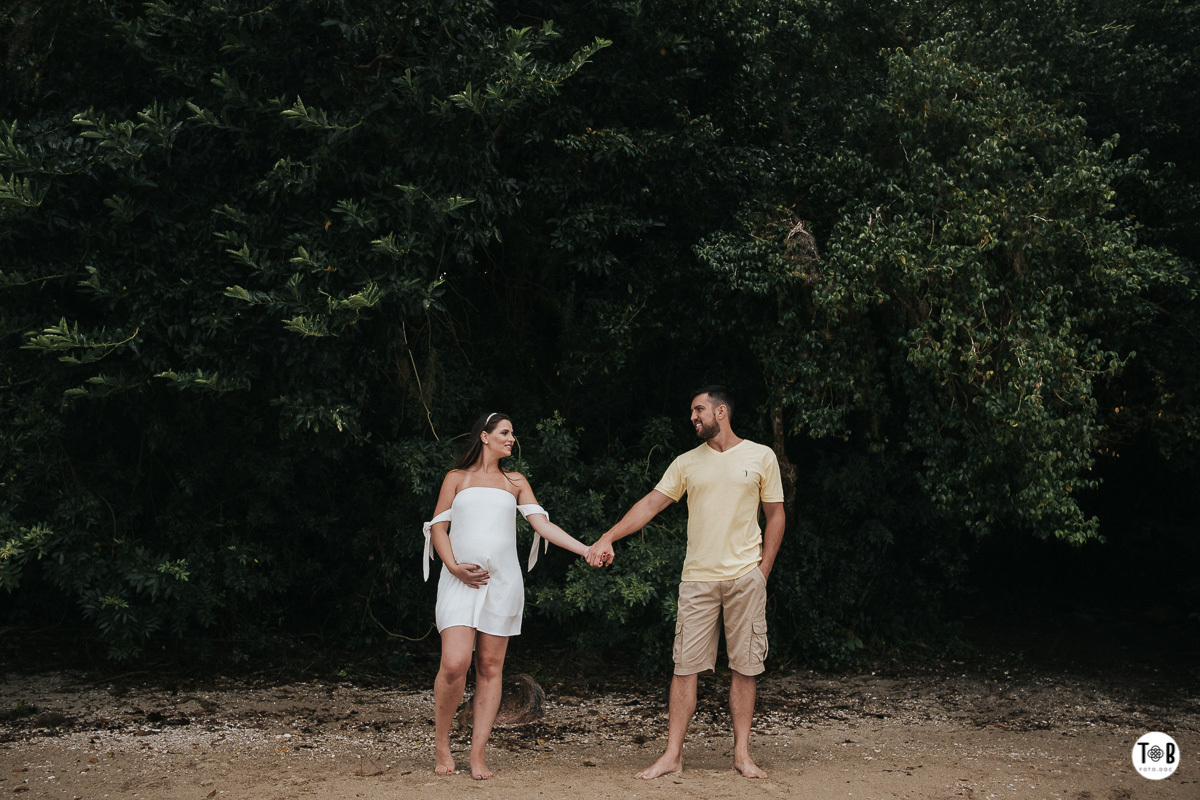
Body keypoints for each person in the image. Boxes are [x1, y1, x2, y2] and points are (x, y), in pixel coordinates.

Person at [585, 386, 785, 779]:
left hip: (746, 576)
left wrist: (762, 572)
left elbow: (775, 516)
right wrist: (608, 536)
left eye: (699, 410)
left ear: (721, 411)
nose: (693, 418)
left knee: (744, 667)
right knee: (684, 668)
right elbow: (650, 504)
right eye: (692, 412)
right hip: (697, 580)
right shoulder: (686, 463)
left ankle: (742, 754)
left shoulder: (761, 456)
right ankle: (672, 755)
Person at [423, 411, 592, 780]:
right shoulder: (457, 478)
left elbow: (542, 524)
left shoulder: (515, 481)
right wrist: (451, 565)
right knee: (454, 664)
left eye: (512, 433)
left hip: (502, 583)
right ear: (484, 436)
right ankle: (441, 743)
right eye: (505, 432)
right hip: (459, 580)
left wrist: (586, 549)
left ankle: (478, 753)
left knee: (489, 667)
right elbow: (438, 526)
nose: (511, 438)